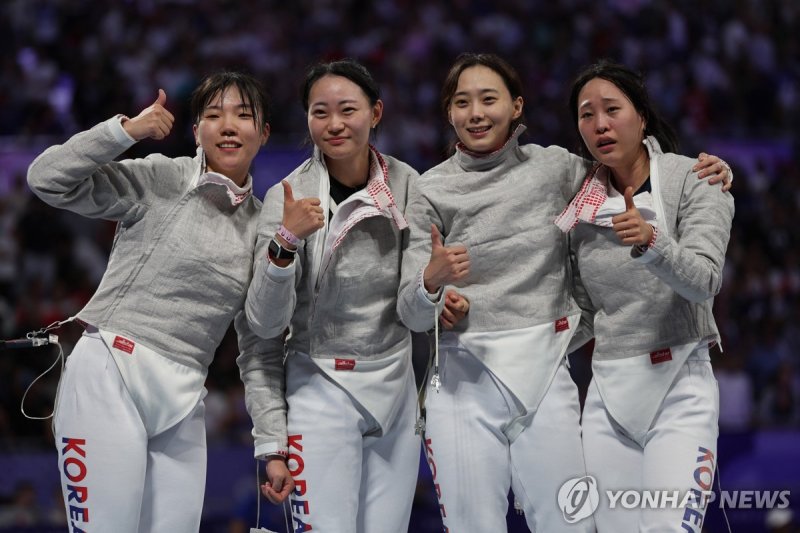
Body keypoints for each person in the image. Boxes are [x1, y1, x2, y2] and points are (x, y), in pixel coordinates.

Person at [397, 53, 730, 533]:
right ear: (448, 112)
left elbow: (635, 172)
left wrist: (717, 173)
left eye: (488, 99)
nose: (475, 113)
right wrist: (431, 285)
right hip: (466, 376)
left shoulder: (560, 170)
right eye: (462, 102)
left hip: (550, 375)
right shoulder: (428, 190)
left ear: (516, 106)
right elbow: (410, 311)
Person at [26, 71, 292, 532]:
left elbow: (261, 349)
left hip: (185, 395)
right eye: (213, 115)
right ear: (196, 131)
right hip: (111, 373)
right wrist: (124, 131)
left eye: (243, 116)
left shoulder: (265, 225)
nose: (228, 126)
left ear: (264, 133)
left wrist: (272, 443)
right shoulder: (162, 177)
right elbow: (46, 179)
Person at [245, 59, 428, 532]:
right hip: (318, 386)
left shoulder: (410, 186)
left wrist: (433, 285)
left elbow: (417, 314)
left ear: (376, 112)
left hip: (395, 388)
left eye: (347, 109)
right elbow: (264, 326)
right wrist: (285, 242)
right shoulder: (285, 195)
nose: (334, 124)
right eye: (319, 112)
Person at [556, 59, 734, 532]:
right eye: (586, 114)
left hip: (680, 386)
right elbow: (587, 313)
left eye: (612, 109)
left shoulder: (697, 179)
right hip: (608, 395)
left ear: (642, 116)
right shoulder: (577, 204)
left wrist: (653, 242)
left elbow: (704, 280)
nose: (600, 124)